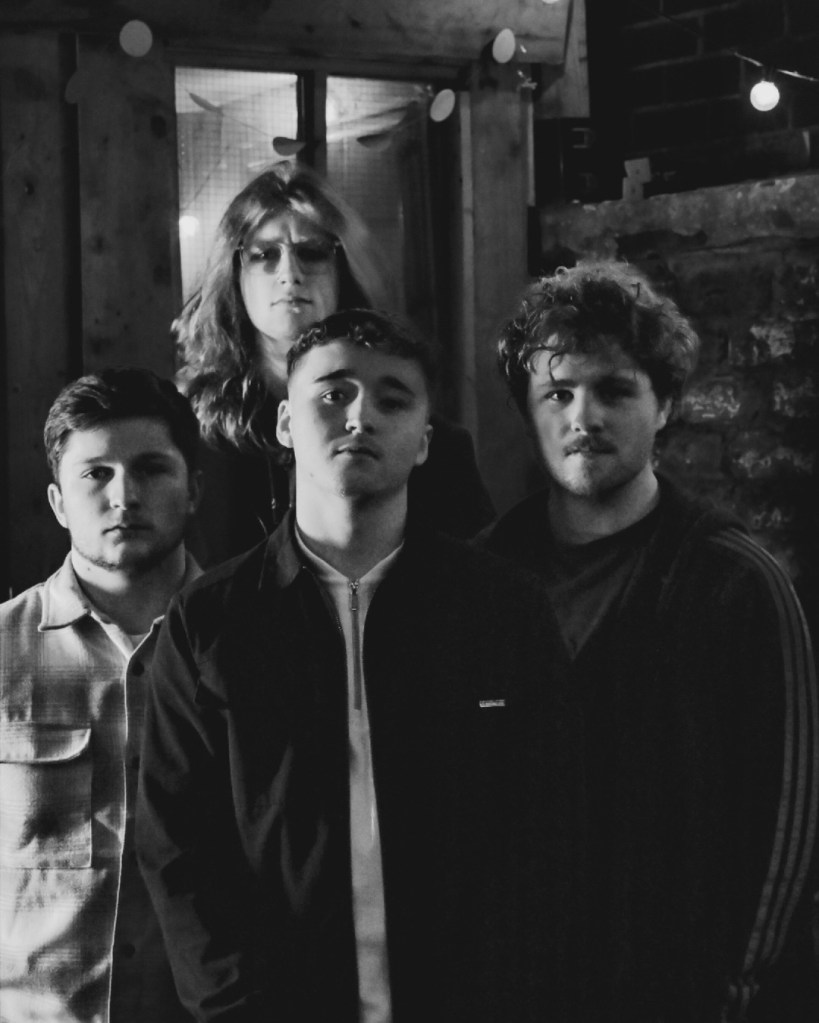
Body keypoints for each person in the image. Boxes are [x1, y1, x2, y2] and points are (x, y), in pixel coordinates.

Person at [136, 309, 581, 1023]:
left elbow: (549, 829)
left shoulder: (501, 609)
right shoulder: (210, 620)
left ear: (425, 440)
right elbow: (178, 848)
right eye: (333, 393)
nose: (360, 415)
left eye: (392, 399)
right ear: (286, 423)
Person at [483, 260, 818, 1022]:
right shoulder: (485, 579)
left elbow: (789, 813)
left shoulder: (735, 581)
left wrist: (735, 987)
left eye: (613, 390)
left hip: (686, 994)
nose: (583, 416)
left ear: (663, 405)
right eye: (558, 393)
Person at [0, 368, 202, 1023]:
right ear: (58, 502)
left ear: (194, 490)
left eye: (151, 469)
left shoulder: (252, 646)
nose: (125, 495)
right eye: (96, 474)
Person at [175, 161, 495, 565]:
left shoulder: (426, 440)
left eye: (311, 253)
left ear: (344, 268)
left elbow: (477, 577)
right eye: (265, 254)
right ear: (235, 270)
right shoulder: (192, 433)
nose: (290, 274)